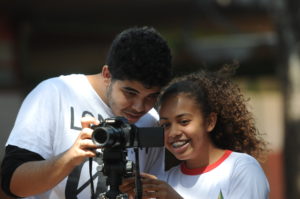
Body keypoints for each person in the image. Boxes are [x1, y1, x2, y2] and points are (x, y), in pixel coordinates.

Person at [1, 26, 172, 199]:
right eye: (130, 93)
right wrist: (68, 159)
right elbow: (11, 183)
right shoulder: (55, 93)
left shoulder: (152, 121)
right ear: (107, 75)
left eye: (151, 97)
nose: (139, 107)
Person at [120, 65, 270, 199]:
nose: (174, 132)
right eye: (165, 125)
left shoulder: (241, 168)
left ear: (210, 122)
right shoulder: (166, 181)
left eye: (184, 121)